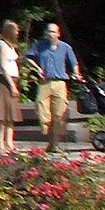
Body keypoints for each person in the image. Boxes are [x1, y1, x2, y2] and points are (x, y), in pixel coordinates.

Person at [31, 21, 81, 151]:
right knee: (42, 109)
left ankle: (54, 144)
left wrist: (76, 73)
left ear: (58, 34)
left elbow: (74, 63)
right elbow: (28, 57)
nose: (50, 33)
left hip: (60, 83)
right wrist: (37, 68)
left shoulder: (65, 47)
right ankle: (47, 132)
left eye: (53, 31)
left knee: (59, 114)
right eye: (48, 31)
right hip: (44, 82)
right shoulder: (40, 45)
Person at [0, 22, 22, 156]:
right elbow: (4, 67)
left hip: (13, 80)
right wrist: (12, 85)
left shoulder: (11, 47)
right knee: (2, 115)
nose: (17, 33)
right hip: (5, 82)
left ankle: (10, 143)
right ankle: (0, 145)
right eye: (15, 30)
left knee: (11, 115)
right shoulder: (2, 46)